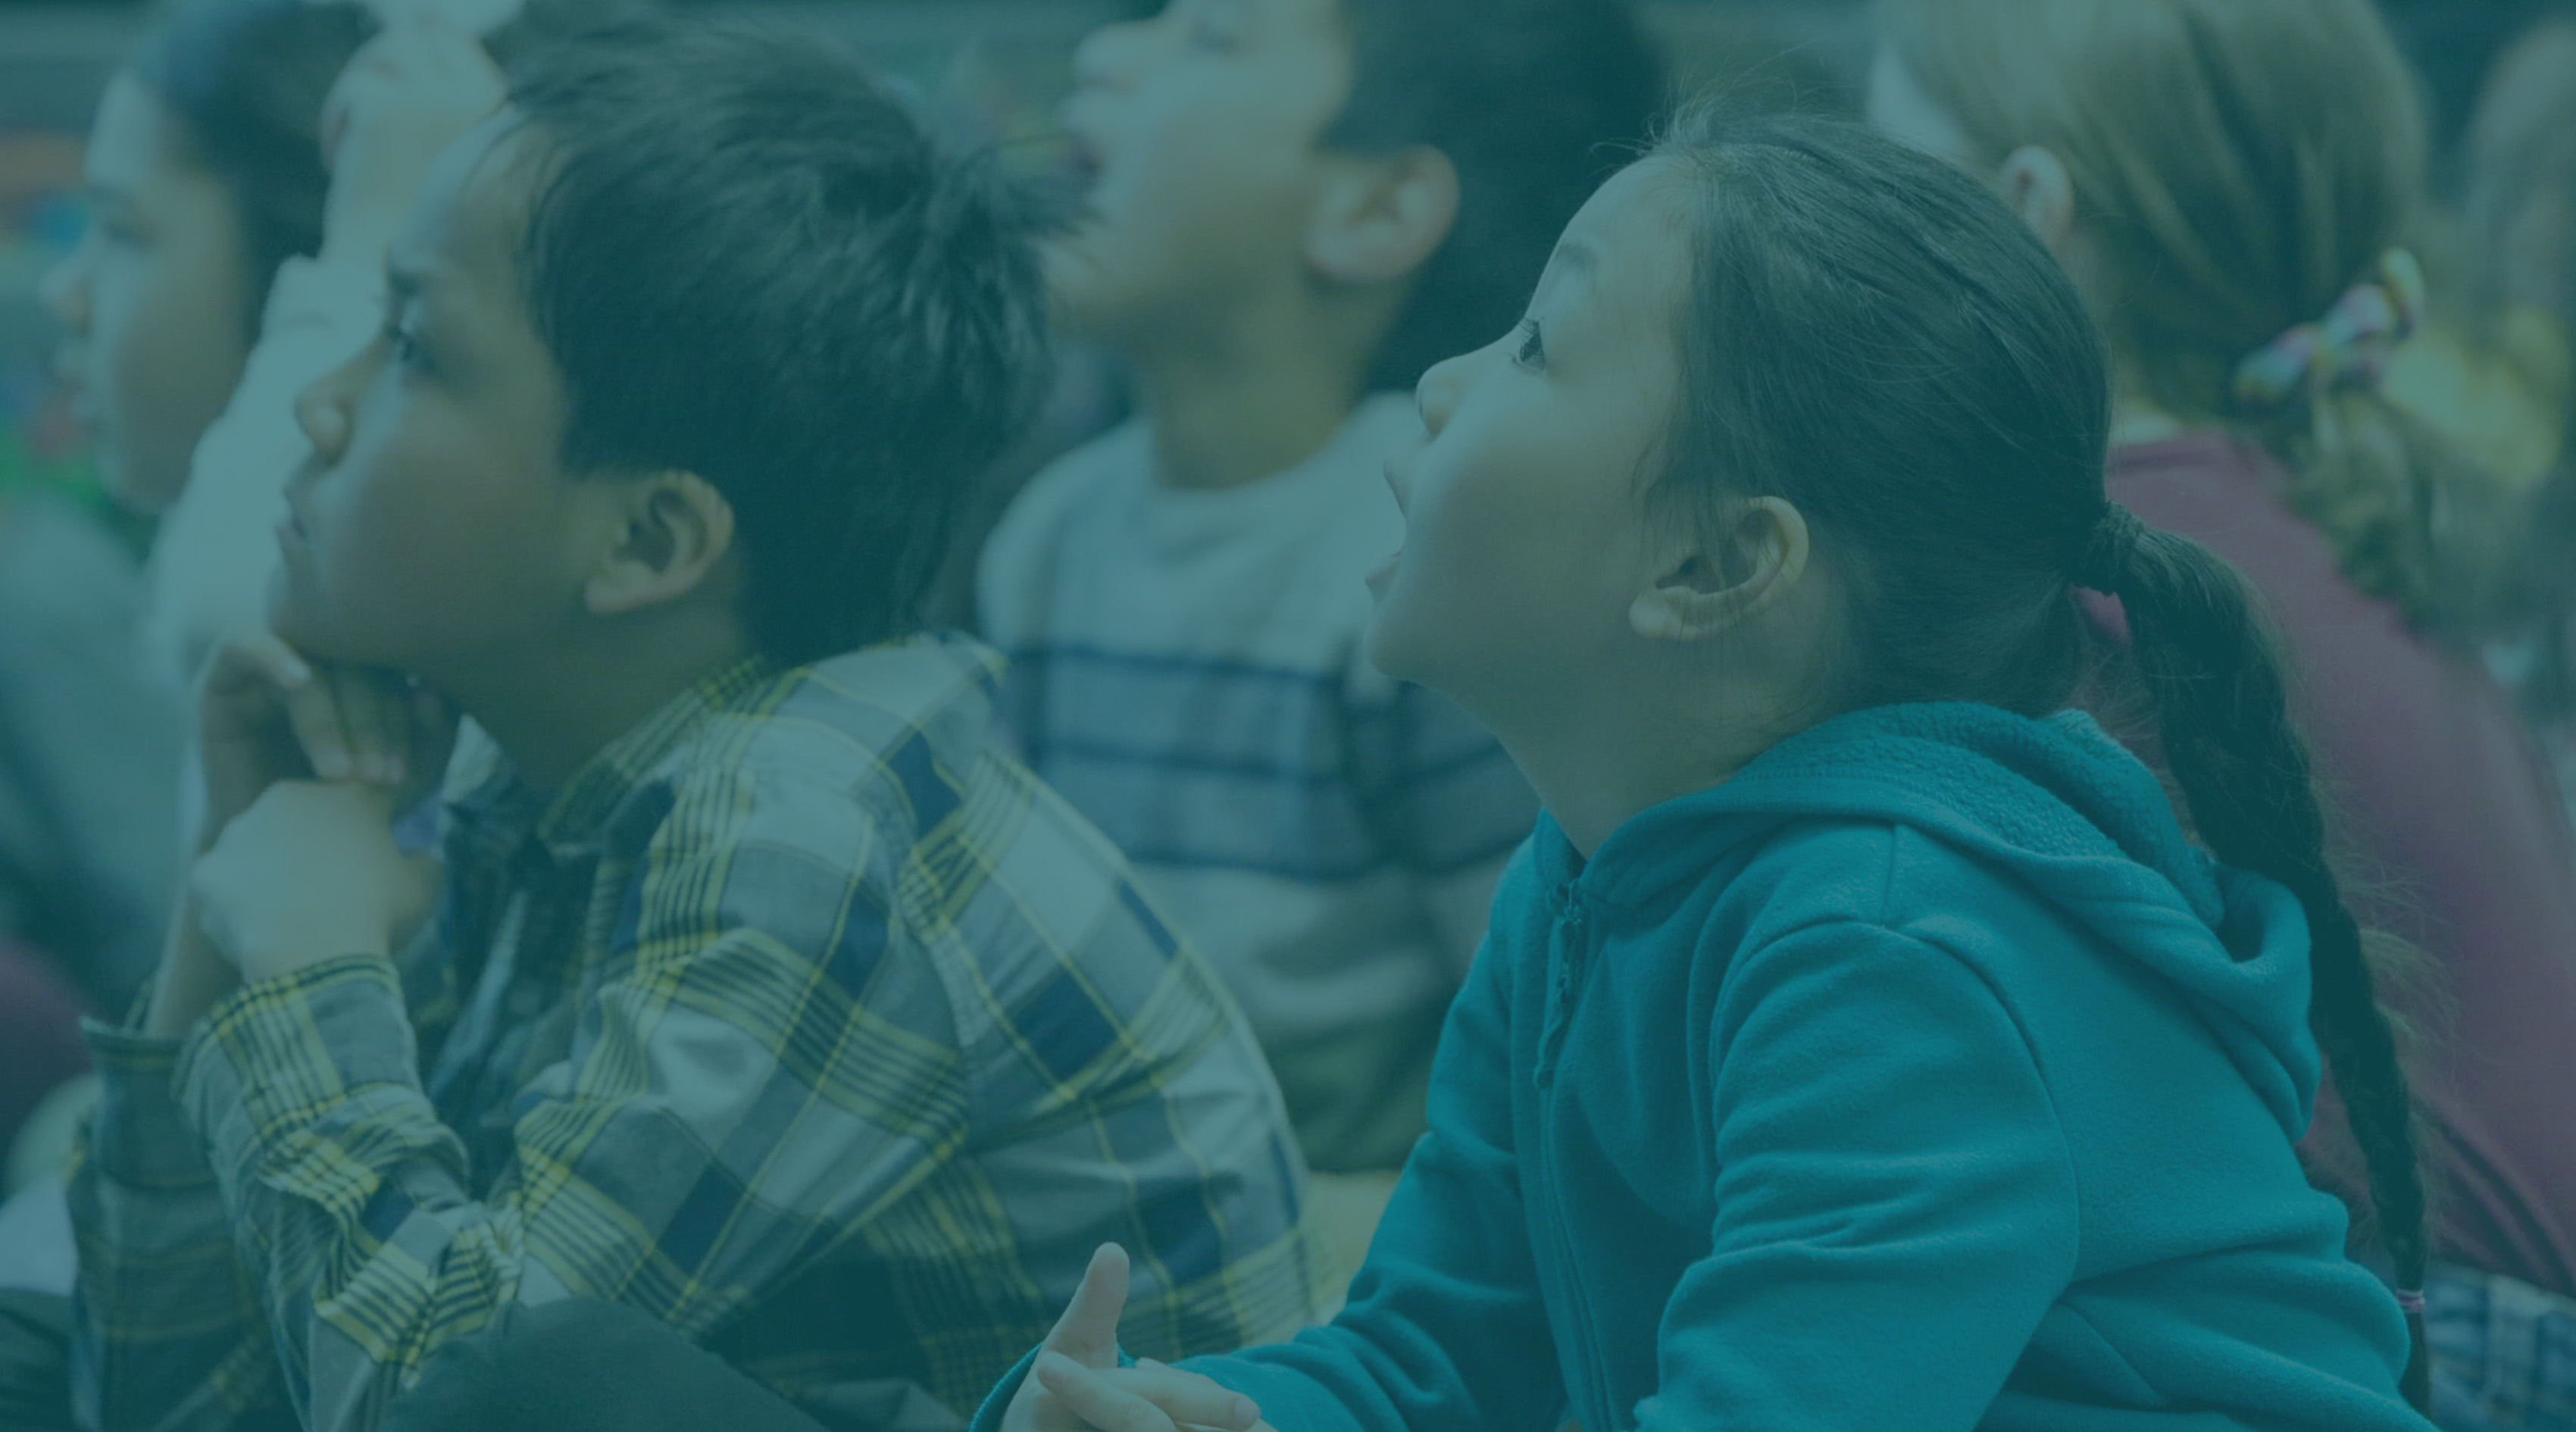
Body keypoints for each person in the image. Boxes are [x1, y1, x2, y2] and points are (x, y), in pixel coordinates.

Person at [971, 110, 2441, 1432]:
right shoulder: (1588, 869)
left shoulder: (1884, 944)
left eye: (1537, 346)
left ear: (1716, 565)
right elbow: (1429, 1365)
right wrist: (1151, 1417)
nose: (1435, 385)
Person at [34, 20, 1325, 1432]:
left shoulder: (801, 825)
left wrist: (306, 967)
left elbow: (455, 1400)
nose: (316, 403)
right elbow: (162, 1405)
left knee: (546, 1373)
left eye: (411, 346)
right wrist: (220, 907)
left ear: (649, 537)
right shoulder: (547, 768)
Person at [1868, 5, 2576, 1426]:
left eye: (1878, 192)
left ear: (2023, 217)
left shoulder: (2104, 561)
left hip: (2442, 1344)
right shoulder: (2291, 486)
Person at [975, 0, 1657, 1188]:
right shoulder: (1048, 534)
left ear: (1376, 207)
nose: (1101, 55)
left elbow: (1546, 1032)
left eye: (1214, 39)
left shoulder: (1424, 549)